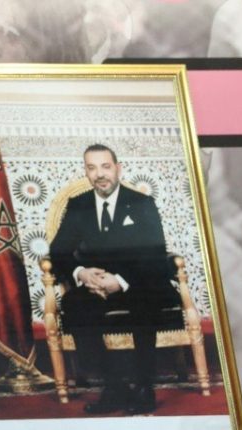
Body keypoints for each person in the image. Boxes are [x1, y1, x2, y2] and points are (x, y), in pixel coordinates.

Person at [49, 143, 181, 415]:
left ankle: (144, 388)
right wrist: (82, 273)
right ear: (86, 172)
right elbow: (58, 251)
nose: (99, 174)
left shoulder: (142, 203)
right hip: (96, 285)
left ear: (118, 168)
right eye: (92, 168)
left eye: (105, 166)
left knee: (144, 303)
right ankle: (114, 386)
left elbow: (154, 253)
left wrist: (119, 280)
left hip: (140, 282)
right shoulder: (79, 205)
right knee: (74, 304)